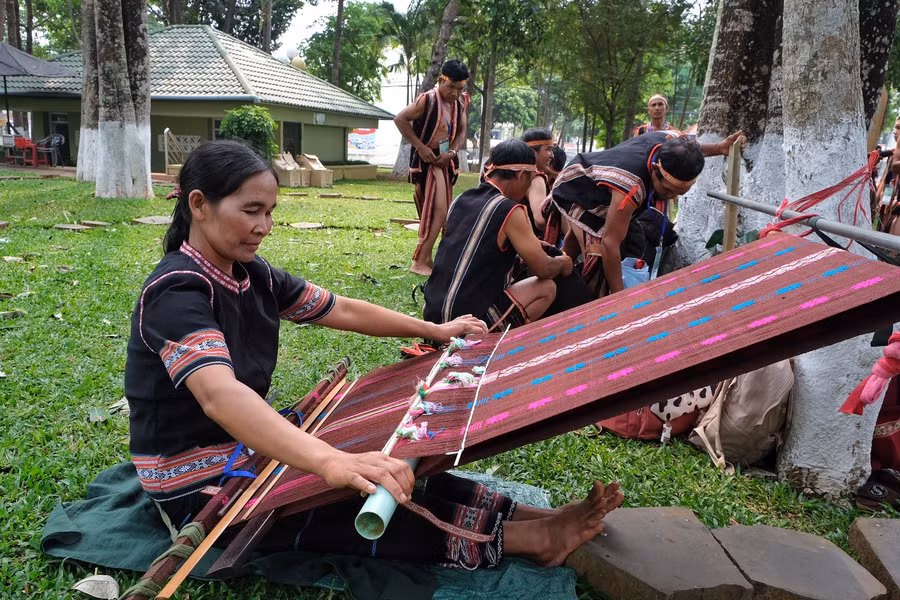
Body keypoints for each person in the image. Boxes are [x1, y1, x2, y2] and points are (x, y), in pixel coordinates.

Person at [125, 139, 623, 573]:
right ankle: (531, 539)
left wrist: (437, 329)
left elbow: (341, 309)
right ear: (199, 205)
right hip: (196, 478)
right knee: (347, 493)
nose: (265, 226)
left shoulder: (251, 274)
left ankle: (526, 516)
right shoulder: (177, 291)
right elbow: (219, 396)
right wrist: (329, 461)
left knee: (388, 457)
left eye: (270, 212)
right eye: (251, 211)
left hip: (243, 449)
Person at [546, 129, 744, 297]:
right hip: (578, 187)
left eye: (678, 193)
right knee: (597, 258)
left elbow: (691, 150)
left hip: (606, 191)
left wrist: (719, 148)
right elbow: (610, 243)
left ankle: (551, 279)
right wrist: (620, 297)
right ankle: (588, 307)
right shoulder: (630, 185)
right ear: (654, 169)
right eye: (666, 190)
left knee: (579, 246)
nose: (670, 196)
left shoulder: (673, 141)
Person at [423, 139, 574, 332]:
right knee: (547, 288)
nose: (528, 188)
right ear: (520, 175)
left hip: (433, 316)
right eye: (529, 179)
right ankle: (497, 345)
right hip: (466, 320)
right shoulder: (509, 209)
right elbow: (543, 268)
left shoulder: (461, 199)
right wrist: (563, 263)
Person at [395, 59, 470, 277]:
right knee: (437, 212)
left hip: (444, 162)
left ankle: (427, 258)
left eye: (460, 88)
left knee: (442, 213)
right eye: (451, 87)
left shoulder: (460, 103)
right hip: (427, 163)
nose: (455, 93)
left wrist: (453, 152)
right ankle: (419, 260)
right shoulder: (427, 100)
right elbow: (400, 119)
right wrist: (420, 147)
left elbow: (462, 131)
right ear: (441, 80)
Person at [521, 127, 557, 234]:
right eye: (548, 149)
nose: (552, 155)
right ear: (533, 151)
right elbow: (540, 220)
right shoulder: (536, 178)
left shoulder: (515, 172)